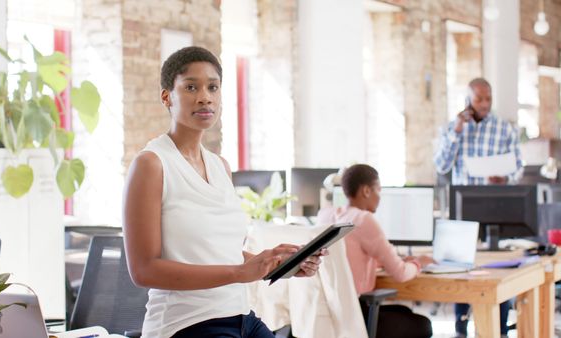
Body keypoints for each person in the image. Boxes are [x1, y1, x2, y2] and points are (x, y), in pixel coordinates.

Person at [122, 46, 325, 338]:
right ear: (167, 96)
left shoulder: (220, 166)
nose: (205, 96)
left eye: (213, 87)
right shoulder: (151, 164)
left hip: (240, 316)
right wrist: (240, 274)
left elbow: (219, 253)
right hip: (185, 324)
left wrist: (271, 263)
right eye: (191, 87)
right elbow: (143, 270)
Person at [434, 77, 521, 337]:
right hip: (464, 206)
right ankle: (461, 326)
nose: (484, 104)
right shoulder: (454, 128)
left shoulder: (504, 128)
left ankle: (501, 327)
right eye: (479, 99)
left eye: (488, 98)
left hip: (495, 204)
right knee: (462, 268)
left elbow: (517, 167)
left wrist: (505, 177)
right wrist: (457, 130)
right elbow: (441, 165)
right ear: (468, 101)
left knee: (498, 267)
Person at [317, 164, 434, 338]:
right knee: (423, 325)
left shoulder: (326, 215)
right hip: (356, 316)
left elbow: (347, 256)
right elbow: (401, 274)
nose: (380, 196)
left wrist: (390, 258)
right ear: (366, 191)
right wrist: (418, 263)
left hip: (328, 315)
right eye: (378, 190)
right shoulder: (363, 219)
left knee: (403, 311)